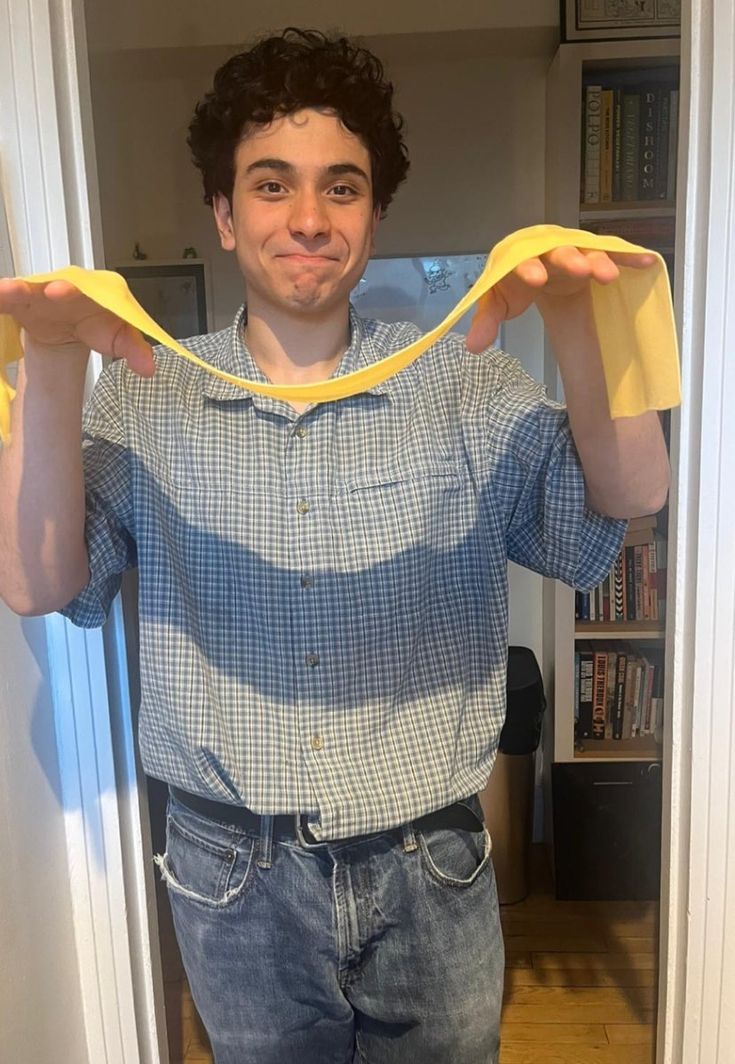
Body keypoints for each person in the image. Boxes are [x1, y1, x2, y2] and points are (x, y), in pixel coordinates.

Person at [0, 27, 669, 1064]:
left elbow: (624, 501)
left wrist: (580, 320)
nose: (308, 219)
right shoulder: (147, 396)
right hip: (231, 876)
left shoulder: (462, 380)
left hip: (432, 863)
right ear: (223, 214)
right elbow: (38, 579)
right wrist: (46, 364)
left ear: (374, 212)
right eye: (272, 186)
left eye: (341, 188)